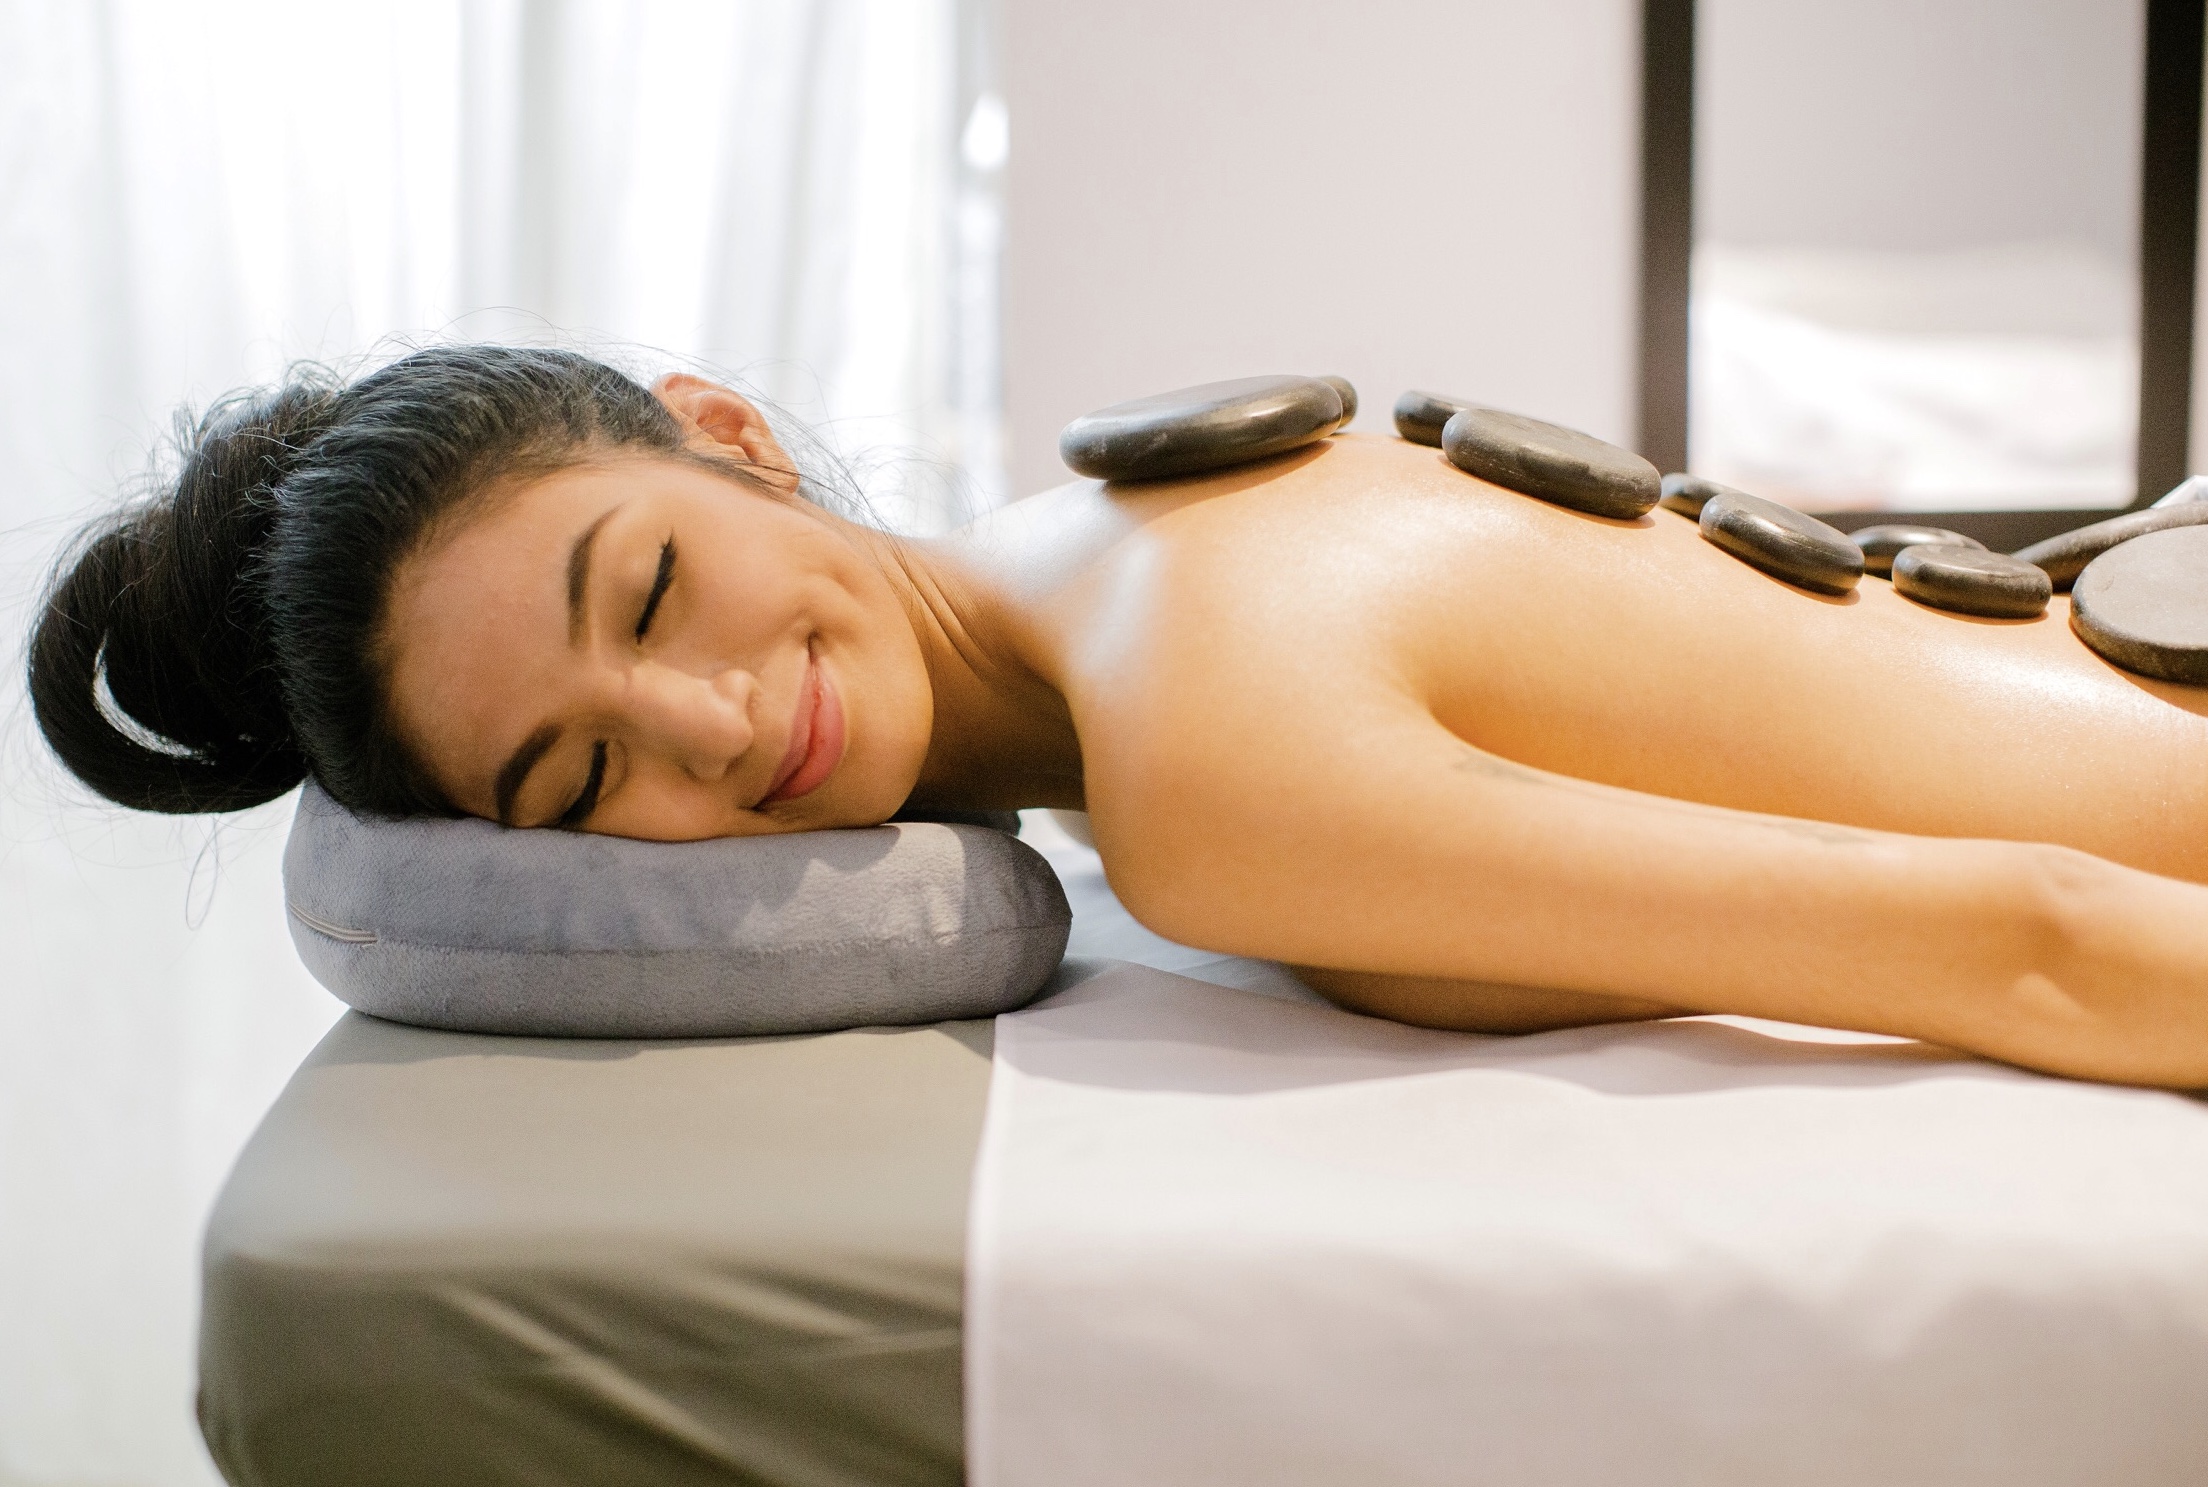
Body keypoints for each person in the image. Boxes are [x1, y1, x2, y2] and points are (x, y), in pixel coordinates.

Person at [29, 345, 2208, 1089]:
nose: (707, 729)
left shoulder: (1200, 772)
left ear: (727, 434)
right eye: (582, 778)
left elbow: (2028, 938)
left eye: (657, 591)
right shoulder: (1108, 517)